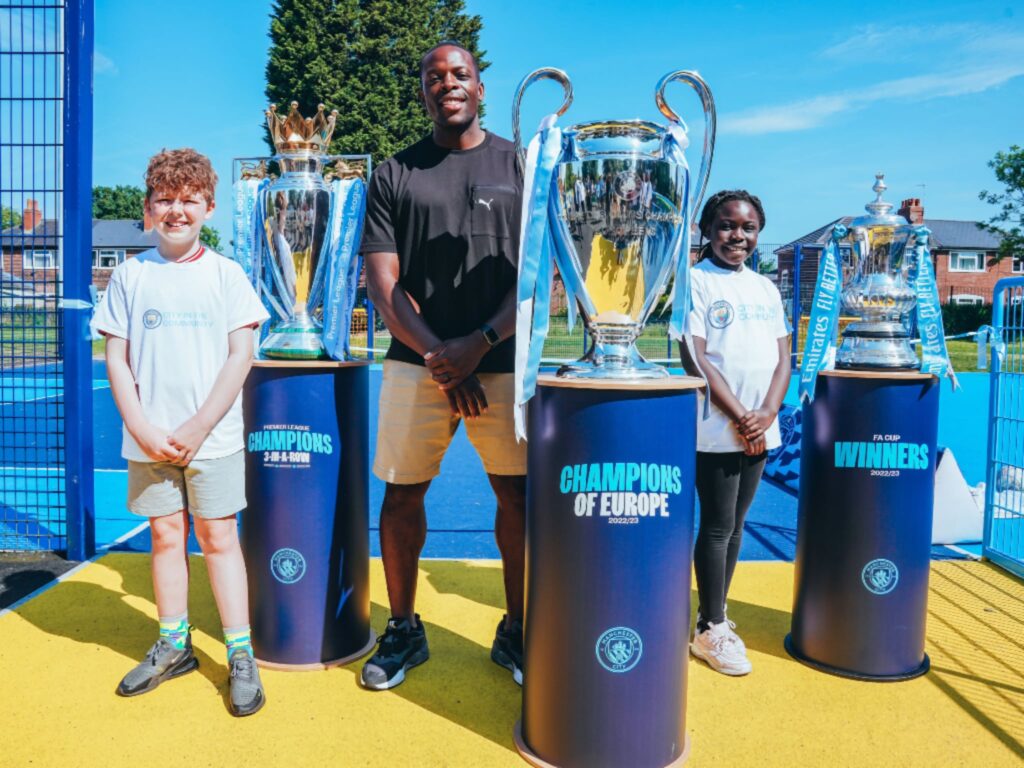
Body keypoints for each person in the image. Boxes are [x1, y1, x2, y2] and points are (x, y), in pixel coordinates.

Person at [359, 41, 526, 690]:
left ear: (481, 88)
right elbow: (383, 283)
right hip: (416, 363)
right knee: (401, 498)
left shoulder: (524, 165)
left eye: (460, 74)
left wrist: (479, 344)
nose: (447, 83)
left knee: (518, 498)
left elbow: (543, 278)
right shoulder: (395, 173)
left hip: (505, 360)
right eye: (434, 76)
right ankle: (403, 628)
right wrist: (439, 357)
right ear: (423, 91)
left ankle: (517, 625)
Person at [91, 148, 270, 715]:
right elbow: (115, 358)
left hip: (211, 441)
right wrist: (140, 426)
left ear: (208, 208)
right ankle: (175, 642)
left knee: (219, 540)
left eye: (189, 200)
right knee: (166, 538)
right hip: (149, 440)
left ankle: (240, 653)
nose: (176, 210)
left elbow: (241, 355)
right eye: (165, 200)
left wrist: (197, 426)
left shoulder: (227, 274)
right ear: (147, 208)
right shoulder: (129, 273)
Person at [679, 190, 790, 676]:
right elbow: (696, 356)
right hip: (718, 426)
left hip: (762, 425)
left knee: (737, 526)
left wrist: (767, 410)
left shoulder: (766, 288)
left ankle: (716, 614)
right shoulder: (695, 282)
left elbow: (784, 356)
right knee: (718, 525)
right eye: (726, 226)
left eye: (748, 228)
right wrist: (741, 414)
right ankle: (710, 628)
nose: (737, 236)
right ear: (707, 229)